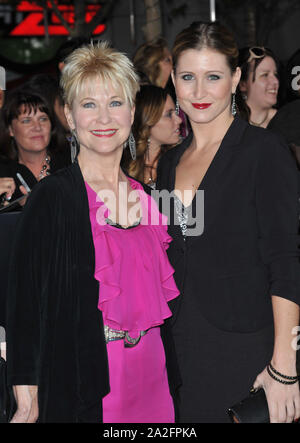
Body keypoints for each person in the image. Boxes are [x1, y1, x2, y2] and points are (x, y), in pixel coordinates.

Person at [6, 41, 181, 423]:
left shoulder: (153, 200)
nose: (104, 117)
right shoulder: (53, 197)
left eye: (115, 102)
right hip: (87, 381)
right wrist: (26, 399)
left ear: (132, 112)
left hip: (155, 376)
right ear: (69, 115)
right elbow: (25, 307)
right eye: (89, 104)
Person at [156, 21, 300, 423]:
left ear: (235, 78)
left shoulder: (263, 151)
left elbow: (286, 261)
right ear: (172, 79)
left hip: (245, 346)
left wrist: (284, 366)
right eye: (188, 77)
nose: (199, 92)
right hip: (178, 347)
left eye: (213, 77)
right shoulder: (169, 162)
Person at [0, 87, 70, 209]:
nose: (37, 127)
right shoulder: (3, 174)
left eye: (43, 119)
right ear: (10, 129)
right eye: (26, 121)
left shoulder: (72, 161)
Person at [125, 84, 182, 188]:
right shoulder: (123, 164)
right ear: (147, 121)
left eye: (176, 112)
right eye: (169, 115)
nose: (179, 120)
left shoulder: (181, 159)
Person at [238, 46, 280, 128]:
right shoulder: (228, 123)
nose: (275, 81)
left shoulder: (287, 121)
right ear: (242, 84)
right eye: (265, 75)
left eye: (275, 74)